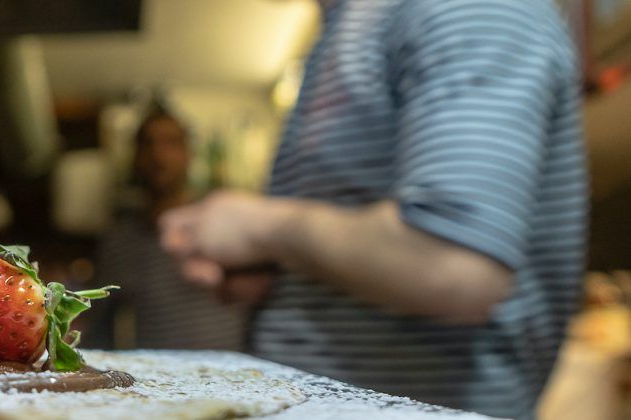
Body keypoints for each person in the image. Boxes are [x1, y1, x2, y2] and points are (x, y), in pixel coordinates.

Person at [160, 1, 586, 419]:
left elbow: (455, 267)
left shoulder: (468, 7)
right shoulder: (354, 27)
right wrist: (283, 274)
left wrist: (262, 228)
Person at [91, 105, 247, 351]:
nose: (158, 155)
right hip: (158, 371)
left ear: (189, 153)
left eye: (171, 143)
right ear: (135, 156)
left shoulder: (223, 225)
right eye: (148, 144)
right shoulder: (119, 243)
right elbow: (98, 328)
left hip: (235, 369)